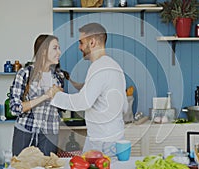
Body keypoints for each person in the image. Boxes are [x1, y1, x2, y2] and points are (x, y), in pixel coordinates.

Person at [50, 23, 128, 156]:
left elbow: (83, 102)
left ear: (92, 42)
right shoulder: (114, 66)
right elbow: (124, 107)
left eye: (81, 42)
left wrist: (56, 95)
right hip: (112, 137)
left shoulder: (99, 67)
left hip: (103, 142)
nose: (79, 47)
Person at [9, 34, 65, 156]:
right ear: (43, 51)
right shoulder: (25, 74)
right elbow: (15, 108)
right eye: (55, 48)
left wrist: (61, 98)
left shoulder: (58, 77)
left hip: (50, 135)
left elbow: (59, 108)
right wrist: (46, 95)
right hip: (26, 132)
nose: (59, 52)